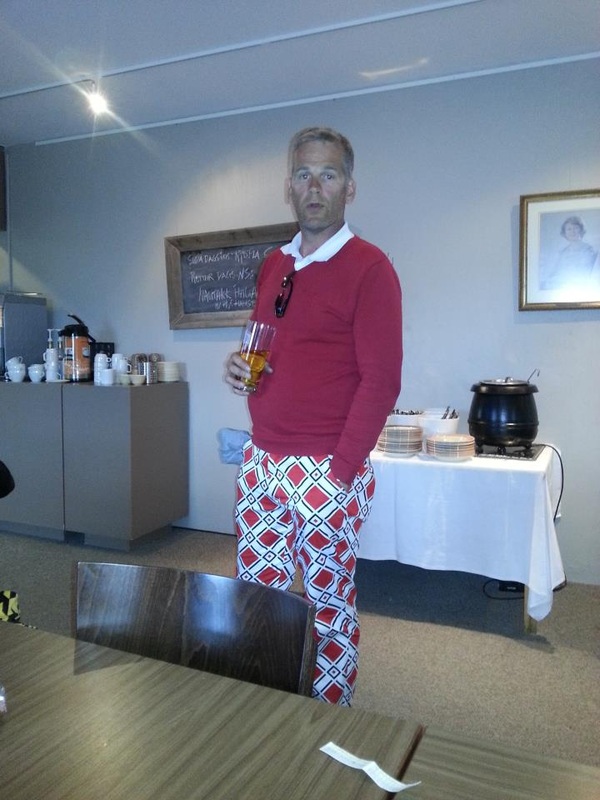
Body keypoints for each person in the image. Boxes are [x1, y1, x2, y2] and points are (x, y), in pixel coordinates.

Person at [225, 126, 402, 705]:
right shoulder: (274, 263)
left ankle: (329, 720)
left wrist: (341, 472)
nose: (315, 187)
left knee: (327, 609)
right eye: (304, 174)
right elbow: (268, 345)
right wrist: (240, 367)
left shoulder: (371, 268)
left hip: (327, 466)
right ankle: (266, 707)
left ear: (349, 187)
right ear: (289, 187)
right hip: (262, 461)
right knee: (258, 599)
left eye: (329, 174)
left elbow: (382, 381)